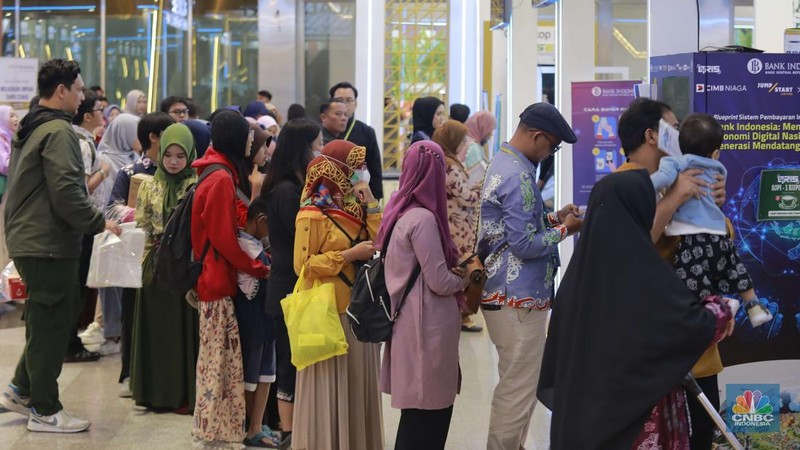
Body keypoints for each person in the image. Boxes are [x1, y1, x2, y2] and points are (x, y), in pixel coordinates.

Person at [537, 169, 734, 449]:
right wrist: (721, 309)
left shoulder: (577, 279)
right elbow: (688, 326)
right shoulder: (643, 274)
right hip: (634, 424)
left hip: (586, 422)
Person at [0, 59, 121, 433]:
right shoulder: (59, 133)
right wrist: (101, 222)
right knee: (52, 322)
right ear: (62, 91)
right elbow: (68, 194)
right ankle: (45, 409)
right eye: (80, 89)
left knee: (43, 318)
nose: (84, 96)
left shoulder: (34, 124)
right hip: (46, 242)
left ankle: (22, 388)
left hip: (32, 237)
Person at [616, 98, 727, 450]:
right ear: (653, 135)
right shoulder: (623, 184)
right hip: (649, 339)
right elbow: (634, 242)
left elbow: (721, 245)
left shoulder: (685, 175)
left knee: (703, 429)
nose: (681, 135)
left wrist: (713, 209)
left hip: (693, 332)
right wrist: (676, 197)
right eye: (674, 127)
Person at [477, 103, 583, 450]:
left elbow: (512, 231)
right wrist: (566, 230)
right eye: (552, 147)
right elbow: (524, 245)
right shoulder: (518, 174)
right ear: (537, 136)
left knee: (516, 382)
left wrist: (553, 219)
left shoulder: (503, 161)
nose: (550, 153)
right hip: (517, 297)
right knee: (517, 388)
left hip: (504, 293)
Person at [292, 139, 383, 450]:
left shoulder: (355, 206)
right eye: (356, 167)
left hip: (359, 308)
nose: (362, 172)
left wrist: (370, 201)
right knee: (330, 386)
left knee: (356, 384)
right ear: (338, 170)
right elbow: (302, 266)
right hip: (329, 310)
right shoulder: (311, 213)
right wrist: (348, 256)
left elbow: (380, 239)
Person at [380, 140, 467, 450]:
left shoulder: (398, 209)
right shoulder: (424, 219)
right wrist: (465, 278)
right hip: (425, 328)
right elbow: (439, 281)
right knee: (428, 416)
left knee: (415, 415)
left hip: (409, 323)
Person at [190, 110, 270, 445]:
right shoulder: (221, 178)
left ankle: (219, 426)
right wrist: (258, 268)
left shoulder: (214, 169)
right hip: (217, 278)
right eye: (250, 138)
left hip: (212, 275)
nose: (253, 144)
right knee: (218, 361)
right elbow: (224, 238)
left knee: (219, 358)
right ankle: (214, 429)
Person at [260, 118, 322, 448]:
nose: (321, 152)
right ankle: (289, 431)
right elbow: (302, 242)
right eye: (318, 146)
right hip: (288, 288)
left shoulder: (298, 187)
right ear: (302, 150)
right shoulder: (287, 192)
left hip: (297, 286)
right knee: (288, 361)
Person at [105, 112, 175, 396]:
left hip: (169, 257)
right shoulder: (130, 172)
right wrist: (142, 212)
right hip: (137, 256)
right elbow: (111, 209)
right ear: (153, 137)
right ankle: (130, 373)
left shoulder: (178, 172)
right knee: (132, 314)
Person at [130, 123, 199, 414]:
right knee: (156, 332)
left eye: (180, 156)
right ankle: (153, 393)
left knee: (180, 333)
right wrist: (142, 268)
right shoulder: (148, 185)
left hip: (182, 269)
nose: (173, 161)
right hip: (155, 268)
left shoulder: (194, 184)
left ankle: (181, 393)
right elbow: (142, 226)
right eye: (168, 154)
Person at [235, 197, 280, 448]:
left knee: (266, 374)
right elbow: (264, 272)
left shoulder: (257, 245)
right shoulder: (244, 246)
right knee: (250, 376)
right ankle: (251, 428)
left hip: (266, 319)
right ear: (262, 221)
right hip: (253, 320)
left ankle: (258, 424)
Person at [432, 120, 483, 332]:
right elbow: (467, 197)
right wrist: (481, 187)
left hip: (458, 224)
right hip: (458, 227)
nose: (464, 145)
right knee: (462, 270)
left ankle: (460, 314)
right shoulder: (449, 165)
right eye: (461, 141)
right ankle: (460, 314)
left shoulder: (446, 161)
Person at [329, 81, 384, 200]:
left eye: (349, 100)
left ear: (356, 104)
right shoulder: (322, 131)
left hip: (358, 197)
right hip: (328, 196)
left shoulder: (367, 132)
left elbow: (375, 168)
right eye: (339, 100)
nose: (344, 104)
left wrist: (375, 199)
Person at [0, 105, 20, 270]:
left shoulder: (12, 138)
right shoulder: (1, 138)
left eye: (16, 115)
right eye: (11, 116)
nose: (15, 119)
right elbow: (5, 165)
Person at [464, 110, 496, 185]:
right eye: (490, 130)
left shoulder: (468, 141)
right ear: (482, 127)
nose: (490, 135)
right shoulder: (472, 147)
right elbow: (477, 177)